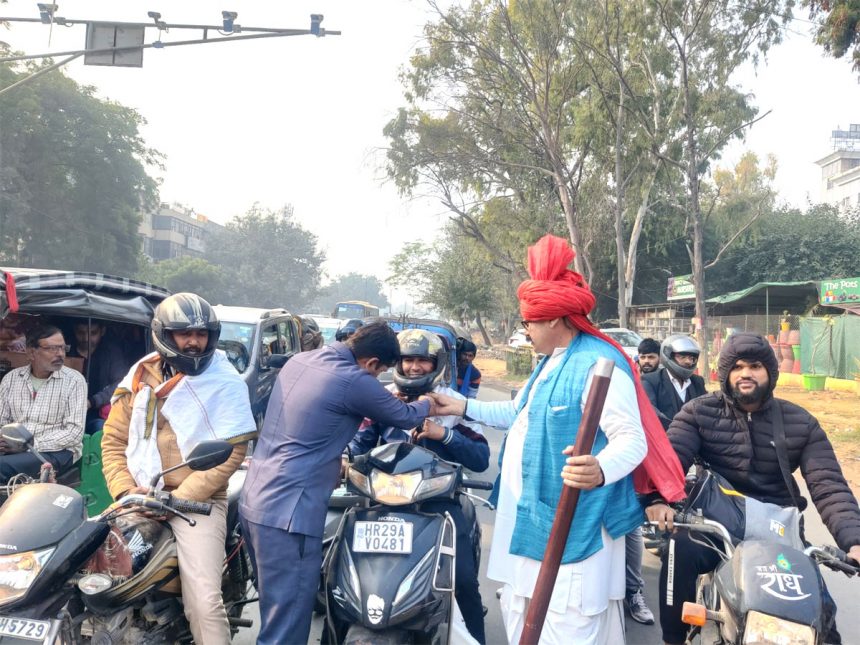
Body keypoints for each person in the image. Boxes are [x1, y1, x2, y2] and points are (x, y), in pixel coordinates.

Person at [431, 235, 685, 644]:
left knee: (569, 626)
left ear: (553, 319)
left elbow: (632, 440)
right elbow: (517, 415)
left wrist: (600, 468)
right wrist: (458, 407)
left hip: (575, 531)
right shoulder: (550, 362)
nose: (525, 330)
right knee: (524, 613)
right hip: (531, 520)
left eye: (528, 321)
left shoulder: (597, 366)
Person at [646, 332, 860, 645]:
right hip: (714, 524)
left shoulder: (800, 422)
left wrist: (854, 540)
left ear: (769, 373)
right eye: (738, 367)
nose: (746, 373)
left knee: (821, 617)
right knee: (680, 547)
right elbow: (670, 460)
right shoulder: (698, 412)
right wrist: (657, 499)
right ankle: (673, 640)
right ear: (726, 374)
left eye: (756, 366)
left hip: (777, 529)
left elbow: (828, 485)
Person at [239, 320, 439, 645]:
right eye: (378, 372)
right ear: (372, 363)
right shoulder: (354, 380)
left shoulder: (301, 360)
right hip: (292, 512)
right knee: (286, 625)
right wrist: (428, 401)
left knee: (273, 610)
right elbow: (407, 417)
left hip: (255, 500)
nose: (375, 379)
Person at [101, 293, 255, 645]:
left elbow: (231, 453)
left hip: (195, 502)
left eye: (202, 334)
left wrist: (175, 499)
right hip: (137, 496)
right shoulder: (140, 377)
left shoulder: (225, 382)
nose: (194, 342)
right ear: (163, 335)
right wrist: (126, 491)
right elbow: (112, 443)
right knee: (80, 566)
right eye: (183, 333)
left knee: (203, 603)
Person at [349, 328, 490, 643]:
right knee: (332, 569)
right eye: (407, 359)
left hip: (438, 506)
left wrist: (445, 435)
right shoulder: (379, 396)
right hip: (381, 502)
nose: (414, 367)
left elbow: (481, 457)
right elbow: (357, 447)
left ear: (436, 363)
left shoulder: (454, 403)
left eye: (422, 361)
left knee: (463, 580)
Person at [0, 325, 86, 479]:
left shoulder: (74, 381)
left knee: (1, 467)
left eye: (62, 348)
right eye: (52, 349)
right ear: (31, 352)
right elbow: (3, 422)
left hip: (57, 452)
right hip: (15, 449)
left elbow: (74, 433)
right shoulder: (11, 379)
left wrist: (30, 446)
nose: (60, 354)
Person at [68, 320, 130, 434]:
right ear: (74, 331)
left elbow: (121, 383)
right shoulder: (65, 352)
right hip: (65, 414)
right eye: (80, 333)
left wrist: (92, 402)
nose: (86, 338)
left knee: (102, 429)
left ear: (102, 331)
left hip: (97, 414)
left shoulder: (111, 353)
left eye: (93, 333)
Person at [641, 334, 706, 430]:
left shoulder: (697, 382)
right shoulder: (650, 381)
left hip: (694, 440)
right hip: (664, 439)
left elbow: (706, 412)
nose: (688, 362)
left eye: (692, 358)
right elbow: (651, 413)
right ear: (668, 355)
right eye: (682, 357)